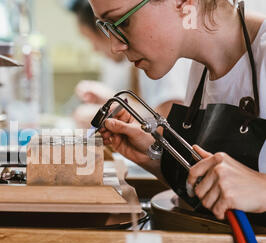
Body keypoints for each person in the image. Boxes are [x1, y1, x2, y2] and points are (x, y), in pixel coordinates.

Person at [88, 0, 266, 221]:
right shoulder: (201, 70)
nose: (115, 45)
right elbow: (212, 194)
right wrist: (155, 157)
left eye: (122, 23)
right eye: (107, 27)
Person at [68, 0, 191, 125]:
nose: (94, 48)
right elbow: (155, 119)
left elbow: (169, 124)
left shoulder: (157, 56)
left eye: (124, 23)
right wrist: (117, 103)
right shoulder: (142, 61)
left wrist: (112, 115)